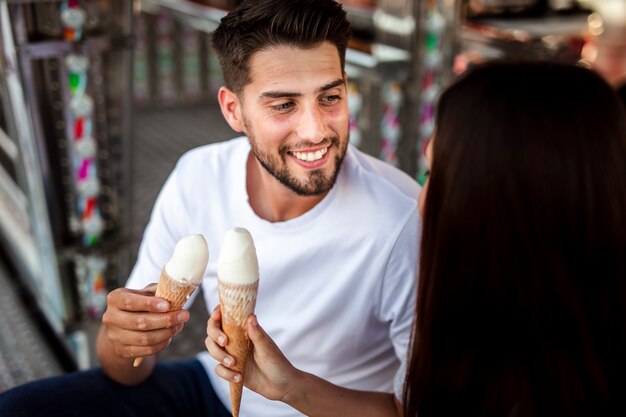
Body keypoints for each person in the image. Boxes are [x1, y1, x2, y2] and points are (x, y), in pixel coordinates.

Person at [0, 0, 420, 416]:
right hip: (211, 391)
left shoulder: (402, 220)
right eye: (283, 105)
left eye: (330, 97)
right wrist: (121, 337)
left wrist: (294, 390)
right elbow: (128, 373)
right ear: (233, 110)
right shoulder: (197, 175)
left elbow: (416, 408)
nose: (315, 130)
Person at [207, 61, 626, 417]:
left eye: (434, 176)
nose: (421, 202)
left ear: (498, 209)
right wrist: (291, 388)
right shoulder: (503, 324)